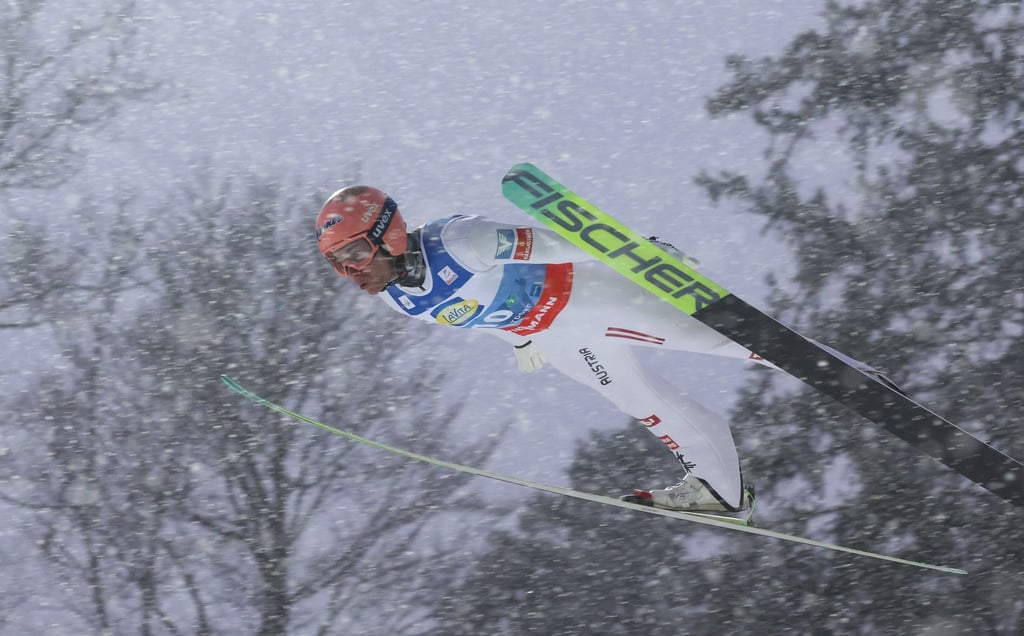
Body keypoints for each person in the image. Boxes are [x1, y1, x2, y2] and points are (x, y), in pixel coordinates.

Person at [314, 185, 892, 514]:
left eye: (355, 255)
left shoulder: (459, 241)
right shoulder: (398, 298)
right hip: (559, 338)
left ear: (388, 233)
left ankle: (857, 377)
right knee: (644, 404)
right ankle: (718, 488)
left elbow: (558, 242)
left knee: (733, 340)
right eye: (338, 264)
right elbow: (482, 314)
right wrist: (521, 340)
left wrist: (638, 252)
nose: (351, 274)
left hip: (593, 297)